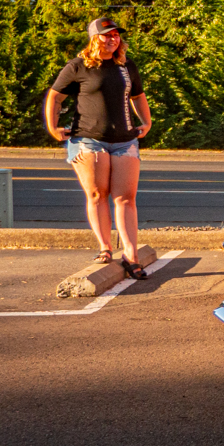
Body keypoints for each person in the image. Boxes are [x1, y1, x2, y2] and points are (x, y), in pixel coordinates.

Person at [44, 17, 153, 279]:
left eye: (116, 35)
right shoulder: (77, 66)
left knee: (125, 198)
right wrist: (53, 127)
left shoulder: (126, 66)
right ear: (95, 38)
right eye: (107, 35)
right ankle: (105, 248)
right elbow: (54, 96)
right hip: (87, 139)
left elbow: (137, 96)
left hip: (125, 140)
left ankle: (131, 255)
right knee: (97, 194)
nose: (112, 39)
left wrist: (146, 122)